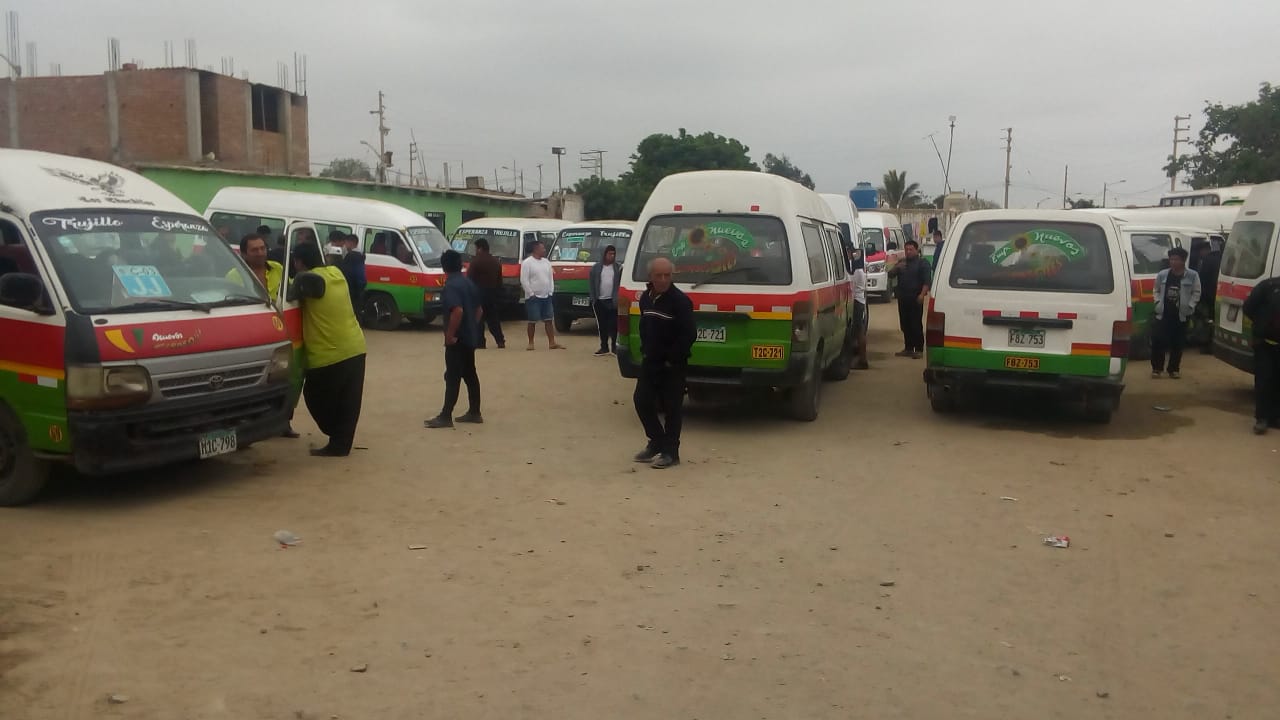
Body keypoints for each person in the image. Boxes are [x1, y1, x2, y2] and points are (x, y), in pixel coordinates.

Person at [291, 243, 367, 457]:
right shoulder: (335, 272)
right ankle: (341, 442)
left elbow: (288, 297)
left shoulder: (306, 279)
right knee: (349, 400)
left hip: (328, 353)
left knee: (314, 395)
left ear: (298, 262)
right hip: (355, 345)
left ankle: (337, 438)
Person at [633, 257, 696, 470]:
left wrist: (673, 358)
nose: (663, 280)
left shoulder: (680, 301)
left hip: (672, 365)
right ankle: (656, 441)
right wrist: (646, 350)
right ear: (650, 277)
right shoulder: (645, 298)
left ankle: (671, 452)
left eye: (667, 275)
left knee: (672, 408)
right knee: (641, 401)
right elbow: (644, 327)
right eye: (658, 275)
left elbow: (689, 334)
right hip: (650, 361)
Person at [425, 250, 484, 429]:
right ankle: (475, 412)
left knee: (452, 376)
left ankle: (445, 415)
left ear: (443, 267)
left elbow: (457, 311)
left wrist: (450, 335)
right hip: (470, 337)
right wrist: (471, 326)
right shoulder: (468, 283)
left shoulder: (451, 286)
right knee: (470, 374)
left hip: (458, 339)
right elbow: (479, 310)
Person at [1150, 247, 1202, 379]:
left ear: (1183, 261)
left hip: (1181, 314)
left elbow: (1196, 292)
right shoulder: (1162, 274)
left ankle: (1173, 369)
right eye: (1171, 259)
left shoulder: (1192, 275)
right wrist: (1157, 303)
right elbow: (1155, 290)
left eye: (1176, 259)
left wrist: (1190, 306)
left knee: (1177, 343)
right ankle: (1157, 368)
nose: (1173, 262)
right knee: (1158, 341)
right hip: (1163, 313)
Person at [1242, 275, 1280, 434]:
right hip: (1264, 342)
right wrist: (1262, 324)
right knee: (1264, 379)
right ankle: (1262, 418)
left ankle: (1275, 417)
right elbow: (1248, 307)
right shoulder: (1268, 286)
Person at [887, 240, 932, 358]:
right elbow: (890, 274)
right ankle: (908, 348)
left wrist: (922, 295)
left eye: (911, 249)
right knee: (905, 324)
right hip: (903, 298)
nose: (908, 252)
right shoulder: (902, 263)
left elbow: (927, 281)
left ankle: (919, 349)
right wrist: (896, 268)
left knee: (915, 324)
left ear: (917, 250)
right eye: (906, 249)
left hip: (916, 298)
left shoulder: (923, 263)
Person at [519, 240, 564, 350]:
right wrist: (531, 293)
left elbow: (550, 278)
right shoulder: (527, 263)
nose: (544, 250)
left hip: (546, 296)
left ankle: (552, 343)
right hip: (533, 297)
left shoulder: (546, 262)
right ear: (535, 249)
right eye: (542, 248)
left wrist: (550, 292)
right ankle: (531, 343)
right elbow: (524, 280)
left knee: (549, 320)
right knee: (532, 321)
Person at [467, 238, 506, 349]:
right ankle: (500, 341)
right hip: (492, 294)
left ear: (479, 248)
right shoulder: (496, 262)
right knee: (493, 320)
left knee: (478, 320)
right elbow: (500, 282)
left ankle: (480, 342)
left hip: (478, 295)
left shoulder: (476, 262)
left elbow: (469, 279)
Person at [589, 244, 622, 356]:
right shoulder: (596, 268)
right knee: (602, 325)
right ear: (604, 254)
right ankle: (604, 347)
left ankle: (614, 347)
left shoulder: (618, 268)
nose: (611, 256)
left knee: (614, 325)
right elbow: (592, 285)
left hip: (613, 301)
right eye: (609, 254)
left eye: (613, 254)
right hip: (600, 301)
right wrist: (594, 299)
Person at [327, 232, 366, 314]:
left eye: (346, 243)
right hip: (359, 288)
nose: (344, 245)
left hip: (352, 289)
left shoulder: (351, 256)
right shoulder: (360, 255)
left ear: (351, 243)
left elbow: (345, 272)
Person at [1197, 244, 1223, 354]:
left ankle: (1207, 345)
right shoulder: (1225, 258)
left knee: (1208, 320)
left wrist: (1201, 296)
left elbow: (1202, 278)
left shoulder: (1208, 260)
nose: (1200, 254)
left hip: (1209, 295)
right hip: (1221, 294)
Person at [850, 250, 870, 370]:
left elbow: (851, 286)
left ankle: (863, 360)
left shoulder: (857, 272)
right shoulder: (861, 271)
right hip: (861, 301)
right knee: (859, 331)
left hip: (857, 302)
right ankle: (862, 359)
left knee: (859, 331)